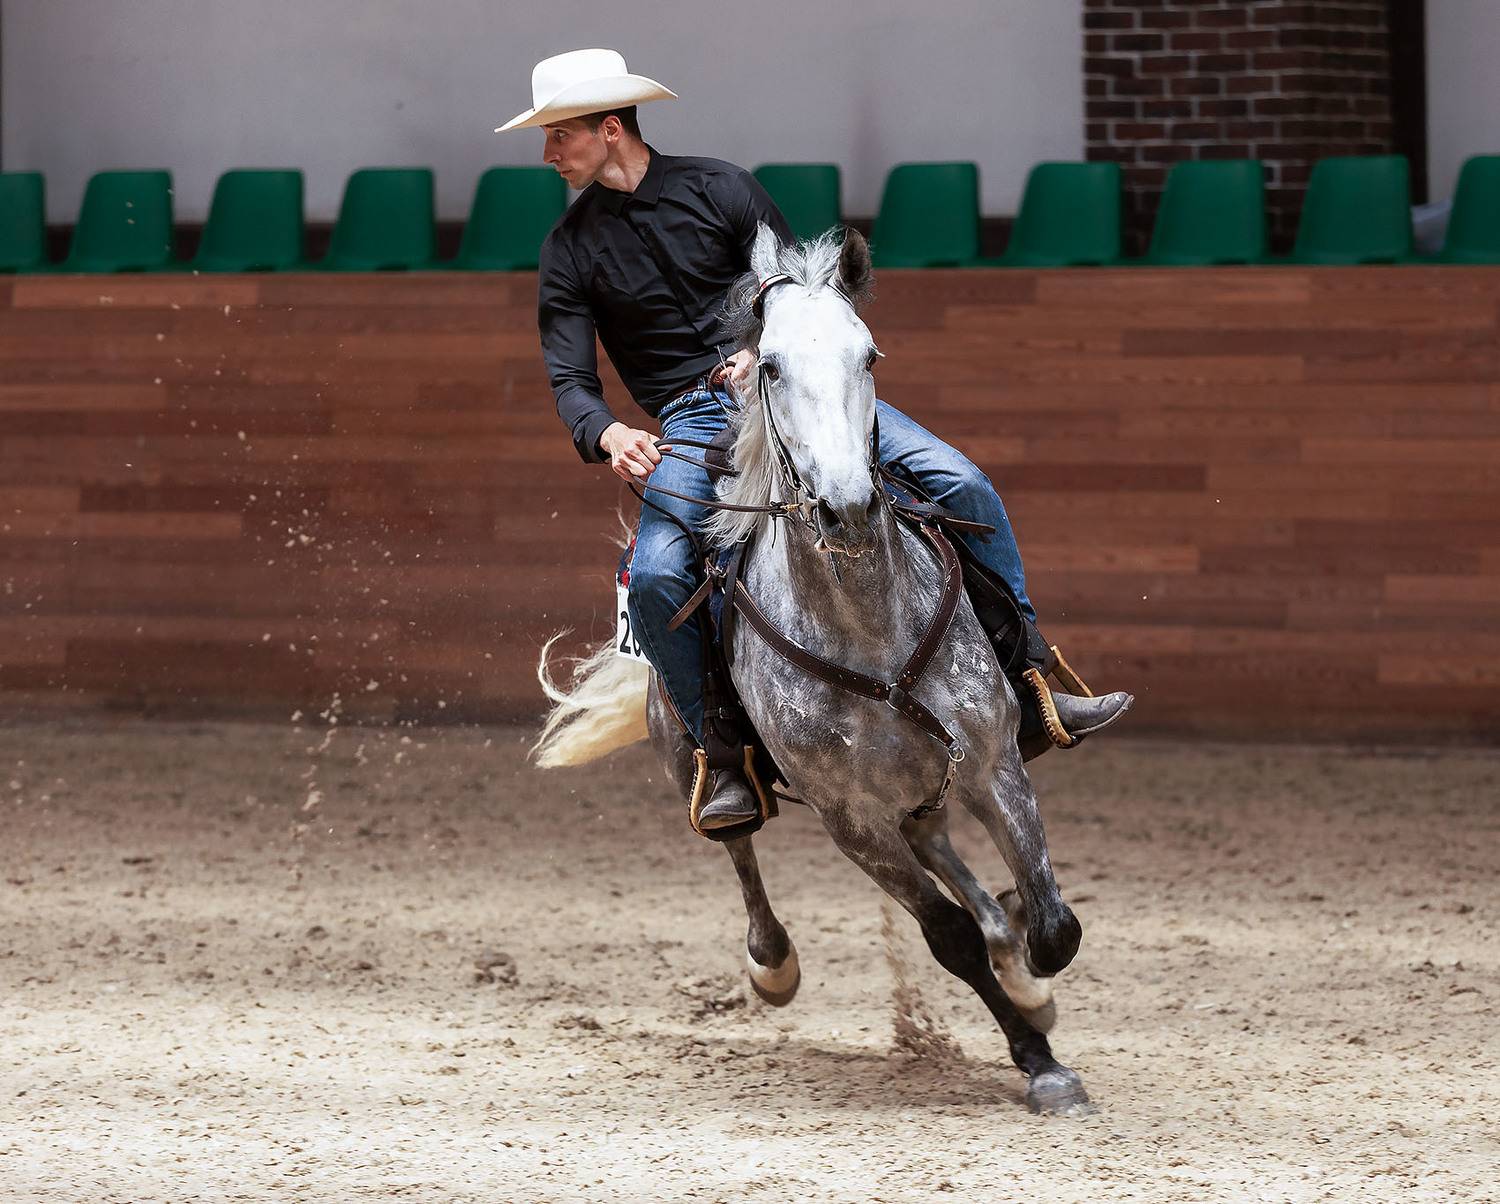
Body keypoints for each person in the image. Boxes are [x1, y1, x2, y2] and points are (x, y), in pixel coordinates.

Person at [499, 49, 1129, 832]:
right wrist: (608, 432)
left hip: (798, 388)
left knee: (962, 482)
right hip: (695, 423)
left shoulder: (721, 188)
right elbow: (570, 378)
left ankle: (1030, 679)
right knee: (661, 574)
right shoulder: (568, 247)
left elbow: (802, 292)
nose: (549, 154)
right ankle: (719, 754)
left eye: (559, 135)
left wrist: (761, 344)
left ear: (610, 126)